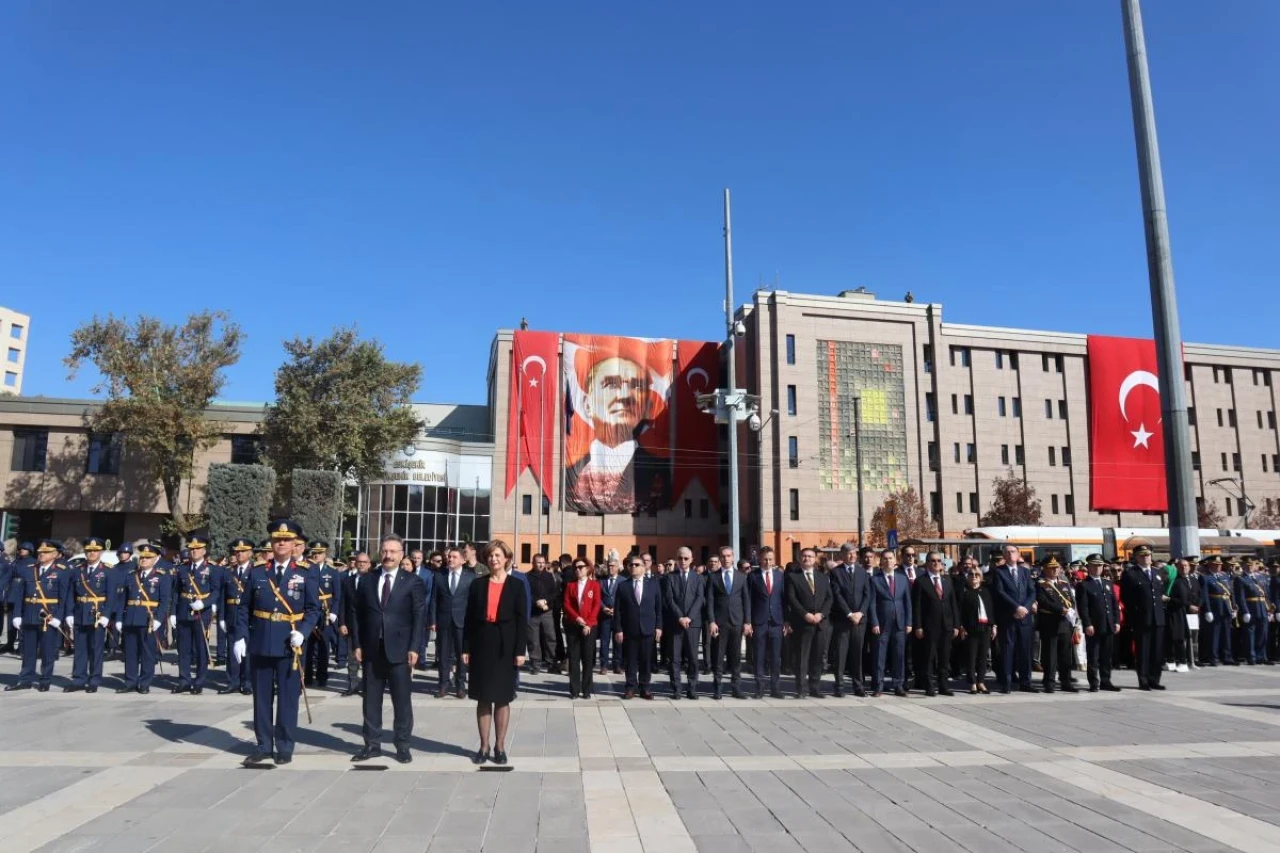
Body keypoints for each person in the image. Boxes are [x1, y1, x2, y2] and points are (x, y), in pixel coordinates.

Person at [233, 520, 320, 765]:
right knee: (261, 698)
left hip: (289, 644)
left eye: (287, 539)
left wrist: (303, 631)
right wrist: (240, 637)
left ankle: (284, 746)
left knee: (287, 697)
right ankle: (263, 744)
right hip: (261, 642)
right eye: (277, 539)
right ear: (272, 543)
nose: (281, 543)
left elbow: (313, 609)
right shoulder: (258, 571)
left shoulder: (305, 571)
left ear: (294, 544)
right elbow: (244, 608)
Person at [351, 534, 426, 765]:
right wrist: (357, 644)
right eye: (384, 551)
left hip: (400, 651)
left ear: (401, 554)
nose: (388, 556)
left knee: (401, 701)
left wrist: (415, 647)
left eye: (393, 551)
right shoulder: (367, 580)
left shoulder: (412, 581)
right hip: (372, 650)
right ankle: (372, 744)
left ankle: (402, 745)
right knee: (371, 700)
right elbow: (356, 614)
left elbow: (419, 616)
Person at [566, 353, 671, 514]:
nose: (624, 396)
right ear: (587, 405)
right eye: (610, 384)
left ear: (648, 408)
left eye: (636, 386)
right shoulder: (570, 470)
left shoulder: (661, 470)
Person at [463, 540, 529, 765]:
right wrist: (465, 647)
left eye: (498, 555)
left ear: (507, 559)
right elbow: (469, 619)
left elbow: (522, 621)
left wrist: (521, 650)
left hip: (505, 646)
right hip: (482, 645)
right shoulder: (477, 585)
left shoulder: (517, 586)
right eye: (491, 555)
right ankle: (483, 746)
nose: (494, 559)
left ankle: (500, 746)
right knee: (483, 698)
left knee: (502, 698)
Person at [6, 539, 71, 692]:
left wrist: (59, 618)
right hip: (29, 614)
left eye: (46, 552)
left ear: (54, 554)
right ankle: (25, 679)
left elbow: (64, 597)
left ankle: (45, 680)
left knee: (47, 651)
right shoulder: (29, 569)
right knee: (28, 651)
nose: (41, 555)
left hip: (48, 617)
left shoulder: (61, 571)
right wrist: (17, 614)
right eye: (40, 552)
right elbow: (20, 594)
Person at [113, 540, 171, 694]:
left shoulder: (161, 576)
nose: (144, 559)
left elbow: (165, 600)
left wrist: (159, 619)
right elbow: (122, 599)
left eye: (148, 557)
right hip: (131, 618)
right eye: (142, 557)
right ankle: (130, 681)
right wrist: (119, 618)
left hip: (148, 619)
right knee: (130, 652)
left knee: (147, 653)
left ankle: (144, 683)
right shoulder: (131, 575)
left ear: (154, 559)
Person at [171, 529, 220, 695]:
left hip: (201, 613)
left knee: (200, 649)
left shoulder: (212, 569)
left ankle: (199, 681)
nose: (194, 551)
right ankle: (184, 680)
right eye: (192, 549)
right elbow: (176, 592)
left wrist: (204, 603)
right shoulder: (182, 569)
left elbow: (216, 592)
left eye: (197, 548)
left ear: (204, 550)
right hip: (184, 610)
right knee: (183, 649)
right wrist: (172, 613)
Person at [65, 536, 113, 693]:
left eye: (95, 551)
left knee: (95, 649)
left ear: (100, 552)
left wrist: (107, 615)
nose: (92, 553)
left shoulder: (107, 570)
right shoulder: (77, 570)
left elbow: (112, 596)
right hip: (80, 612)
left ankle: (94, 679)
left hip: (96, 615)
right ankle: (79, 679)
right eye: (89, 551)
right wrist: (69, 613)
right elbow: (70, 593)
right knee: (79, 649)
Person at [785, 547, 832, 698]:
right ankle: (801, 689)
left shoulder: (823, 577)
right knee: (801, 658)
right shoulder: (793, 577)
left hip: (820, 623)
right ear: (800, 558)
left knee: (817, 657)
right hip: (802, 623)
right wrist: (805, 614)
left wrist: (821, 614)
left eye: (810, 556)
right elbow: (791, 599)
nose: (807, 559)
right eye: (804, 556)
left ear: (815, 559)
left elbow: (829, 598)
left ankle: (815, 687)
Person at [1119, 544, 1167, 691]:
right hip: (1141, 618)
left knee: (1157, 651)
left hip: (1158, 617)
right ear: (1136, 557)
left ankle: (1155, 679)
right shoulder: (1131, 574)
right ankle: (1144, 680)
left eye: (1148, 555)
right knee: (1143, 651)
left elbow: (1159, 593)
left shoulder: (1157, 572)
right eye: (1142, 555)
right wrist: (1135, 615)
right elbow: (1125, 597)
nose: (1146, 557)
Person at [912, 551, 960, 697]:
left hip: (946, 625)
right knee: (928, 657)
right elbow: (917, 606)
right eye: (933, 561)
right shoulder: (921, 581)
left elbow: (953, 605)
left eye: (939, 561)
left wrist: (956, 625)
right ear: (927, 563)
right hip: (929, 626)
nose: (936, 563)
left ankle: (943, 685)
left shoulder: (947, 580)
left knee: (944, 657)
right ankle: (929, 685)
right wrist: (918, 626)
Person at [614, 554, 661, 700]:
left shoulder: (653, 584)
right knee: (630, 660)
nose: (633, 567)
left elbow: (659, 608)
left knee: (646, 660)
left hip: (648, 629)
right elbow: (618, 611)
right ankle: (630, 687)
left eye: (636, 565)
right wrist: (618, 629)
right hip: (630, 629)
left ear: (643, 567)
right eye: (631, 565)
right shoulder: (623, 586)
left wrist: (659, 627)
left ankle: (645, 687)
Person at [991, 544, 1037, 693]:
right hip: (1008, 617)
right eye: (1007, 552)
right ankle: (1007, 683)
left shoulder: (1025, 572)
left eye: (1013, 552)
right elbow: (1000, 592)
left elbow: (1032, 592)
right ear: (1004, 556)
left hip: (1025, 618)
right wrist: (1016, 607)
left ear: (1018, 555)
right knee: (1007, 650)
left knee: (1025, 651)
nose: (1010, 554)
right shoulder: (999, 572)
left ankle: (1026, 682)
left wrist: (1025, 608)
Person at [867, 548, 912, 698]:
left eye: (890, 558)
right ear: (881, 562)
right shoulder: (875, 580)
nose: (888, 561)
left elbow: (907, 602)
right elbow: (872, 603)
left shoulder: (902, 579)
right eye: (885, 558)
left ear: (895, 561)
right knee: (879, 655)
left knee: (899, 655)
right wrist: (874, 622)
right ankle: (878, 685)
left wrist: (909, 622)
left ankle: (898, 684)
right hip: (882, 623)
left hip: (900, 623)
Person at [828, 544, 870, 698]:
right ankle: (839, 686)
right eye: (848, 553)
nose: (852, 556)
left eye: (854, 553)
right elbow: (837, 595)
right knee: (841, 654)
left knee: (857, 655)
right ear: (842, 555)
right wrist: (849, 613)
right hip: (843, 620)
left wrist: (860, 613)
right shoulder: (835, 573)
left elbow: (867, 595)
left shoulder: (862, 572)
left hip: (859, 621)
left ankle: (858, 686)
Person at [664, 547, 706, 699]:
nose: (683, 561)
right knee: (674, 658)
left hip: (693, 623)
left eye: (686, 558)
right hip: (676, 623)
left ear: (692, 559)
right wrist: (680, 617)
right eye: (680, 558)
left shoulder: (698, 578)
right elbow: (669, 600)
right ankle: (676, 688)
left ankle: (692, 687)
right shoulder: (670, 577)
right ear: (677, 559)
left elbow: (699, 599)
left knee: (693, 657)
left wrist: (689, 617)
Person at [1075, 554, 1121, 692]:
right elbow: (1083, 607)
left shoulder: (1108, 583)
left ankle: (1106, 681)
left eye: (1100, 565)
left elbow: (1114, 605)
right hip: (1094, 625)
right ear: (1088, 567)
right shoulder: (1084, 585)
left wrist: (1117, 622)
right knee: (1093, 656)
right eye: (1094, 565)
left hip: (1108, 624)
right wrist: (1087, 623)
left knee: (1106, 656)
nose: (1097, 568)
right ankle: (1094, 682)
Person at [707, 554, 750, 700]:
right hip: (720, 622)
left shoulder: (742, 577)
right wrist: (712, 621)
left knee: (736, 656)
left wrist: (747, 622)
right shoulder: (713, 577)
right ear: (720, 559)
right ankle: (717, 688)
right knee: (718, 657)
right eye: (723, 556)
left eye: (729, 556)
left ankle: (736, 687)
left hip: (737, 621)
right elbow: (710, 601)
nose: (726, 559)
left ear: (733, 558)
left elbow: (746, 600)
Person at [1034, 557, 1079, 693]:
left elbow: (1071, 600)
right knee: (1050, 655)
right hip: (1050, 623)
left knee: (1065, 655)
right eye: (1051, 567)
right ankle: (1049, 682)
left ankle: (1066, 681)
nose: (1055, 570)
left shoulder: (1064, 584)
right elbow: (1043, 601)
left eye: (1057, 567)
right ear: (1045, 569)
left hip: (1065, 624)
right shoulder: (1041, 584)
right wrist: (1061, 610)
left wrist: (1071, 612)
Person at [434, 546, 473, 699]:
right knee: (443, 654)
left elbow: (472, 602)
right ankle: (443, 684)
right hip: (443, 621)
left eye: (454, 557)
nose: (450, 559)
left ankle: (460, 685)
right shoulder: (439, 575)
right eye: (449, 557)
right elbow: (433, 600)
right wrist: (432, 620)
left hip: (462, 622)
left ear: (463, 560)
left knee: (461, 655)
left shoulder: (470, 577)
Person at [747, 546, 786, 698]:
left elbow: (784, 599)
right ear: (759, 559)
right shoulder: (753, 576)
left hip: (776, 621)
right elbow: (748, 600)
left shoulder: (780, 576)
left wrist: (786, 621)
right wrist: (748, 621)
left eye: (770, 559)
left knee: (776, 657)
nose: (767, 562)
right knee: (759, 656)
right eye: (765, 559)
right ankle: (759, 688)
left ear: (774, 559)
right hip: (759, 622)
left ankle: (775, 688)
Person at [218, 538, 255, 695]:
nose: (239, 554)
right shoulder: (228, 572)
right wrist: (221, 617)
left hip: (248, 618)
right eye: (237, 552)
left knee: (247, 651)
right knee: (232, 650)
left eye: (243, 551)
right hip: (232, 615)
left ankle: (247, 682)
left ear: (250, 553)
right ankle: (232, 682)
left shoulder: (255, 571)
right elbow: (222, 597)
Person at [306, 540, 343, 688]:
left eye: (319, 553)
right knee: (308, 646)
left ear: (325, 554)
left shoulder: (332, 572)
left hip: (325, 613)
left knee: (323, 646)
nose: (316, 556)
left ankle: (322, 677)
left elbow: (337, 594)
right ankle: (308, 676)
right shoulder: (306, 570)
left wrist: (334, 611)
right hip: (310, 611)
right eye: (314, 553)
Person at [563, 558, 601, 699]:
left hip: (589, 627)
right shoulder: (570, 585)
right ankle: (574, 690)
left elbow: (596, 605)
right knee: (574, 658)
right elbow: (566, 604)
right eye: (576, 567)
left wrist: (588, 624)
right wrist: (577, 618)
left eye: (581, 567)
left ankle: (586, 690)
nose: (578, 569)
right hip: (574, 625)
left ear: (588, 569)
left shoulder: (594, 585)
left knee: (587, 659)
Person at [957, 563, 995, 694]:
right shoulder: (964, 591)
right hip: (970, 628)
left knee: (983, 657)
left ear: (981, 577)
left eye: (977, 575)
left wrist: (993, 625)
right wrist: (961, 626)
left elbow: (990, 610)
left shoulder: (985, 591)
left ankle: (981, 681)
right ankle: (972, 682)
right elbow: (959, 611)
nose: (974, 577)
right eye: (971, 575)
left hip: (985, 628)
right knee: (971, 656)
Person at [339, 552, 372, 696]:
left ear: (369, 564)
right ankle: (353, 685)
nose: (361, 564)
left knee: (368, 658)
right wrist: (342, 623)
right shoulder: (348, 580)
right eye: (359, 562)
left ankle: (367, 687)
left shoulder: (374, 580)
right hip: (351, 624)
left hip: (369, 625)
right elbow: (342, 603)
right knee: (352, 657)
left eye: (364, 562)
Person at [525, 554, 559, 674]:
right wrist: (536, 602)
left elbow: (554, 593)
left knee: (550, 637)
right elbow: (526, 593)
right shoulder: (527, 576)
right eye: (538, 562)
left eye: (543, 562)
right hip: (533, 613)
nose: (541, 565)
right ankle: (535, 665)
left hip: (547, 611)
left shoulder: (549, 576)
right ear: (533, 563)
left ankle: (551, 663)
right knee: (533, 640)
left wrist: (545, 601)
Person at [1167, 557, 1200, 673]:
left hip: (1194, 612)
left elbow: (1198, 594)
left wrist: (1198, 606)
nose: (1184, 568)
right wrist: (1188, 605)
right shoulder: (1175, 581)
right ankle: (1181, 661)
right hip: (1180, 612)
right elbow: (1172, 598)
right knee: (1179, 637)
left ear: (1189, 567)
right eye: (1181, 566)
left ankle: (1193, 660)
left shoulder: (1194, 580)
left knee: (1193, 637)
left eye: (1186, 565)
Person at [598, 557, 621, 674]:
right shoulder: (601, 581)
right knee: (604, 641)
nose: (610, 568)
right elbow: (598, 597)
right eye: (609, 566)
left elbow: (625, 598)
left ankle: (617, 665)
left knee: (618, 641)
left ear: (618, 567)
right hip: (605, 616)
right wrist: (603, 607)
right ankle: (604, 665)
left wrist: (616, 609)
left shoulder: (623, 581)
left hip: (618, 616)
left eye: (613, 566)